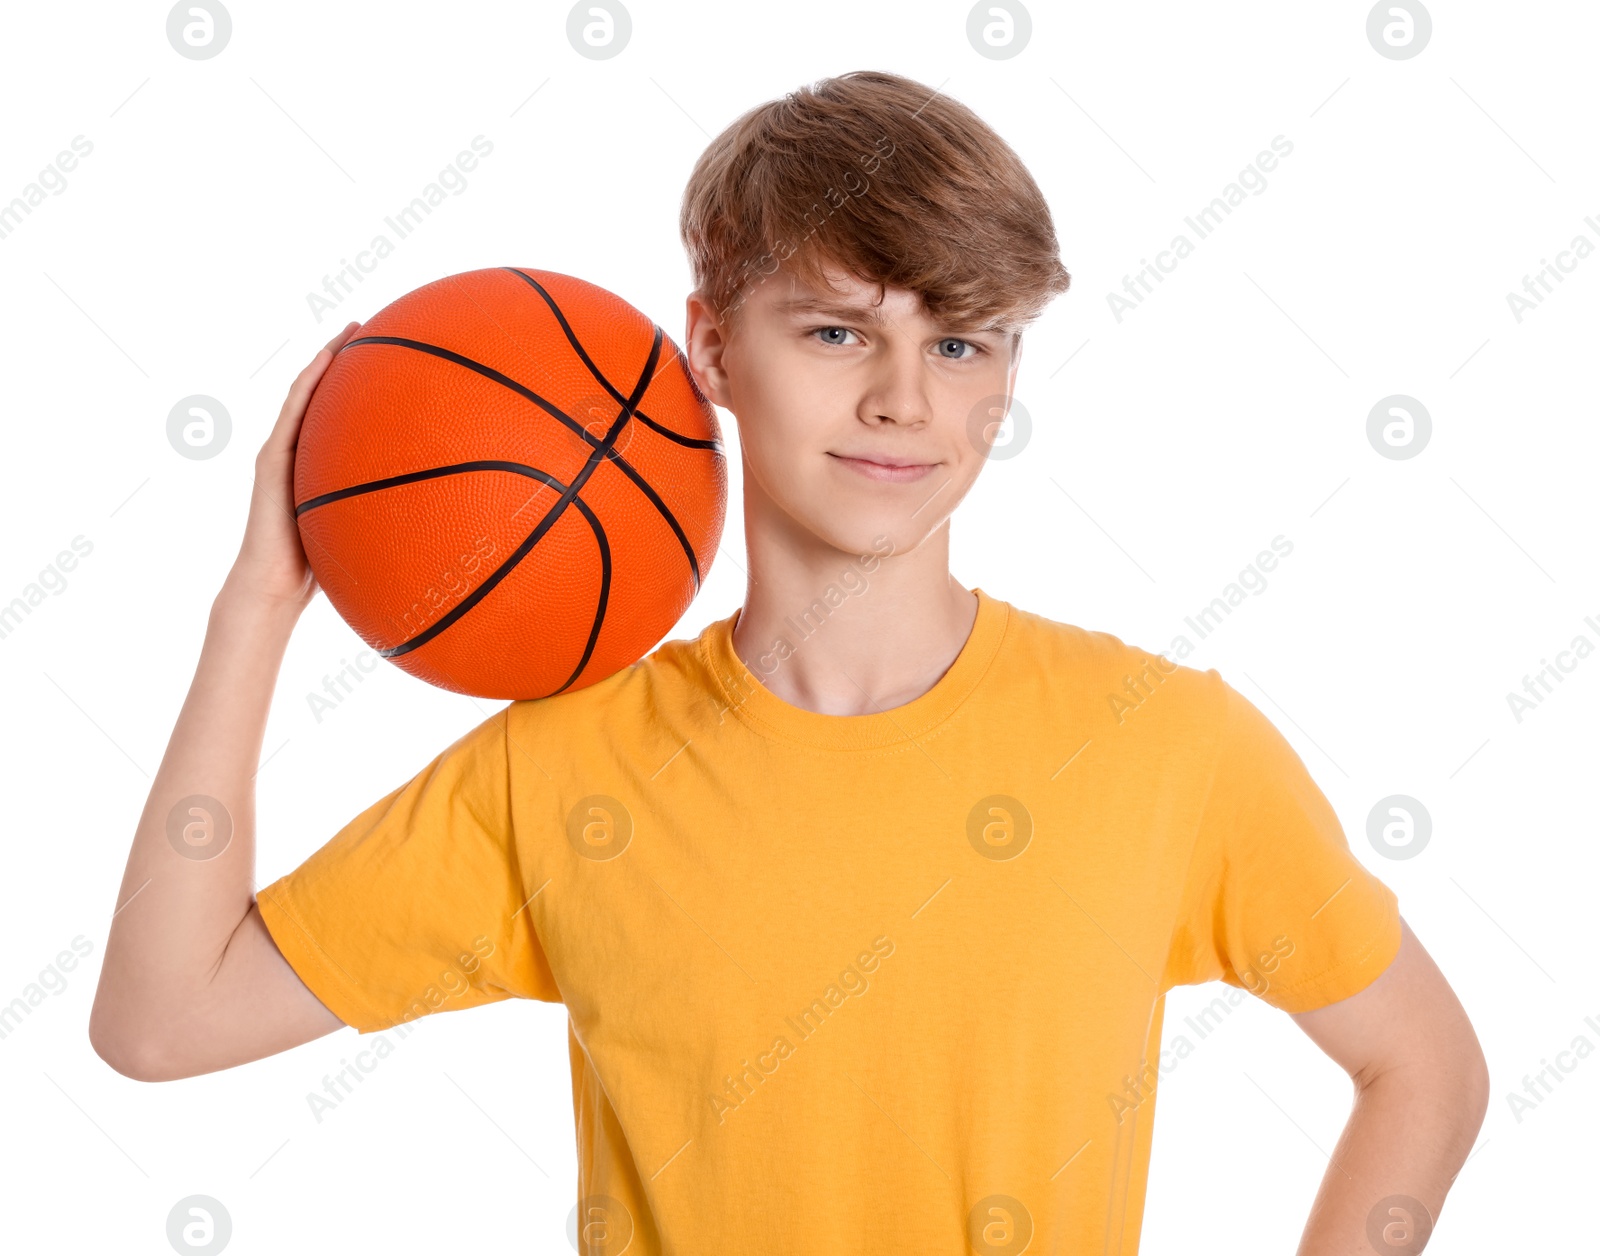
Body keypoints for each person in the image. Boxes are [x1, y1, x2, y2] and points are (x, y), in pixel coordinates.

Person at [89, 70, 1487, 1253]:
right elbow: (159, 1021)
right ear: (709, 343)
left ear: (1007, 372)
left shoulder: (1159, 744)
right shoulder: (564, 767)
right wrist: (260, 606)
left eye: (960, 342)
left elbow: (1423, 1068)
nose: (903, 397)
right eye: (837, 330)